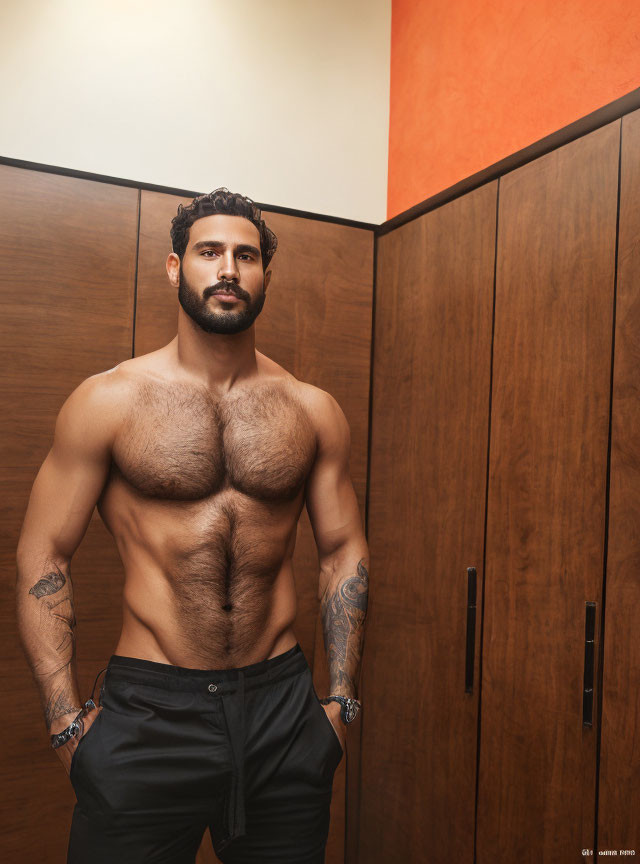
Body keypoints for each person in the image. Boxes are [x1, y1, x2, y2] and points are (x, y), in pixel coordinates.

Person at [15, 188, 370, 863]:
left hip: (283, 712)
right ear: (177, 268)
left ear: (266, 274)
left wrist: (340, 704)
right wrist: (66, 724)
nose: (229, 269)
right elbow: (44, 555)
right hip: (151, 714)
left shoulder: (310, 410)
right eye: (210, 252)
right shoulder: (109, 401)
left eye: (246, 255)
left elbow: (342, 549)